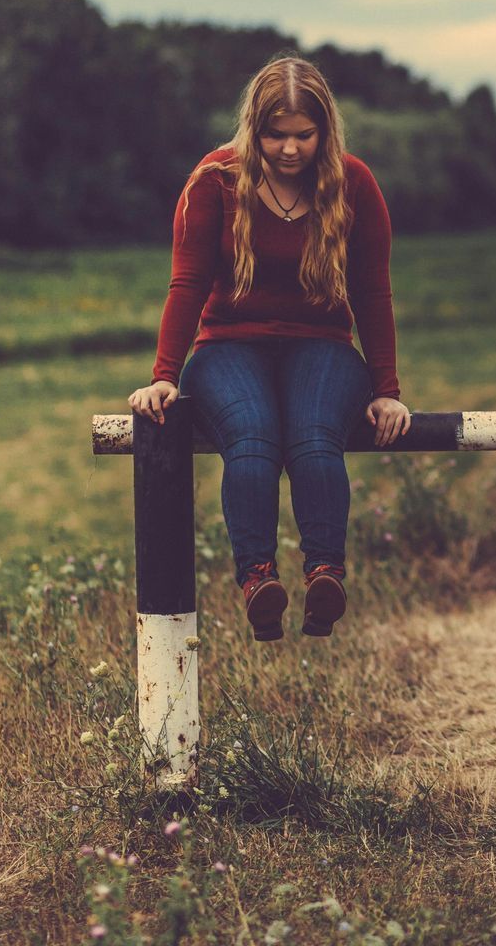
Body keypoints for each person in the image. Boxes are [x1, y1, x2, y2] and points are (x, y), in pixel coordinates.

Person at [127, 53, 411, 642]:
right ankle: (258, 581)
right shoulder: (215, 181)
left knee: (312, 435)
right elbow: (187, 282)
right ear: (253, 129)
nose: (289, 149)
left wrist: (387, 392)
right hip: (229, 343)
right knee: (252, 435)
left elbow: (373, 291)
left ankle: (325, 576)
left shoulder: (354, 183)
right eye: (275, 135)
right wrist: (164, 375)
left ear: (325, 131)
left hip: (323, 344)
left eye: (303, 136)